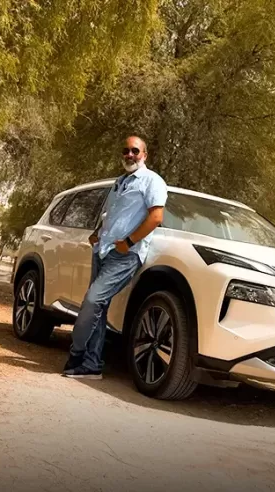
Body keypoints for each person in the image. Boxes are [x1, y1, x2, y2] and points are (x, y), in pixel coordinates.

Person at [62, 136, 167, 379]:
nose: (130, 155)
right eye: (126, 150)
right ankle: (91, 364)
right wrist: (97, 233)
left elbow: (156, 217)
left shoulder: (152, 181)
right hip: (103, 250)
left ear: (145, 155)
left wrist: (128, 242)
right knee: (99, 306)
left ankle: (76, 354)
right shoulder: (120, 182)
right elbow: (113, 215)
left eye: (135, 151)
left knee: (92, 301)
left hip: (125, 255)